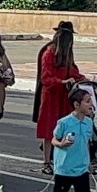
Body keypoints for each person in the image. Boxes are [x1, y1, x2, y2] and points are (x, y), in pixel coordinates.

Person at [32, 89, 96, 192]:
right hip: (65, 168)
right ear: (76, 105)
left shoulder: (88, 122)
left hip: (81, 168)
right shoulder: (64, 122)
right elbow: (54, 139)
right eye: (87, 101)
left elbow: (86, 143)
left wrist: (89, 162)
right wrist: (61, 144)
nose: (90, 105)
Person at [34, 23, 86, 174]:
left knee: (65, 127)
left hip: (64, 96)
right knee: (50, 129)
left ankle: (62, 159)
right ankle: (46, 162)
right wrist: (62, 82)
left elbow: (73, 71)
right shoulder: (49, 53)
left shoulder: (67, 55)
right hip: (51, 95)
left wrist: (83, 79)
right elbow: (46, 78)